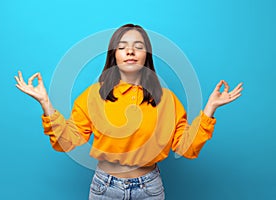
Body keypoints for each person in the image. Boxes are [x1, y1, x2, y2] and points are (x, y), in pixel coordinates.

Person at [14, 24, 243, 200]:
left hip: (149, 188)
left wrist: (209, 109)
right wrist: (46, 102)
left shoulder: (167, 100)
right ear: (113, 55)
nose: (130, 51)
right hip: (104, 188)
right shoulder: (94, 96)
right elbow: (67, 141)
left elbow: (186, 147)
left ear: (146, 56)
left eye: (138, 47)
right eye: (122, 47)